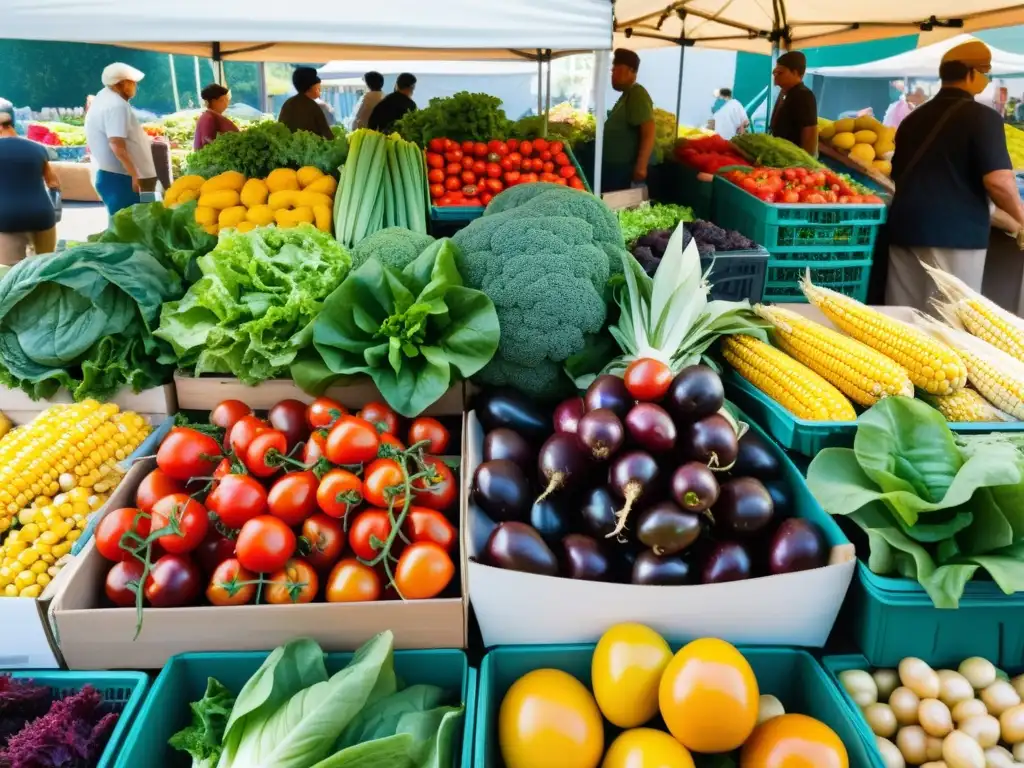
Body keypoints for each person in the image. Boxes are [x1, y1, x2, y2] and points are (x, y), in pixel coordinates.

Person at [885, 40, 1024, 311]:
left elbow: (898, 174)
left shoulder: (913, 119)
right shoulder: (982, 117)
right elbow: (998, 180)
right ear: (972, 74)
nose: (986, 80)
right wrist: (1021, 218)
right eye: (985, 73)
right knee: (949, 322)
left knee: (902, 318)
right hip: (954, 236)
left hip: (904, 229)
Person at [84, 62, 157, 216]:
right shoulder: (116, 105)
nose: (135, 87)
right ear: (123, 84)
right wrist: (134, 174)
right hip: (121, 178)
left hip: (113, 176)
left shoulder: (103, 98)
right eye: (133, 83)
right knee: (129, 227)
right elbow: (116, 144)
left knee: (124, 226)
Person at [0, 110, 60, 264]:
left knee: (10, 274)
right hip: (42, 215)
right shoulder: (37, 148)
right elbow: (53, 183)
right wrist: (57, 211)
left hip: (7, 218)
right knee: (44, 267)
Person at [601, 48, 655, 193]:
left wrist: (641, 167)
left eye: (616, 70)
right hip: (615, 169)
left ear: (631, 71)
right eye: (612, 70)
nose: (612, 74)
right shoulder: (626, 95)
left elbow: (648, 130)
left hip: (625, 170)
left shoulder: (637, 94)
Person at [769, 50, 818, 156]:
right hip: (780, 155)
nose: (775, 77)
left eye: (780, 73)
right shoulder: (786, 93)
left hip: (793, 161)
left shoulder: (805, 96)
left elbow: (810, 136)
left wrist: (805, 165)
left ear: (795, 73)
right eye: (775, 73)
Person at [278, 67, 334, 140]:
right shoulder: (313, 106)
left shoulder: (288, 104)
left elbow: (280, 128)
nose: (320, 92)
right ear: (311, 87)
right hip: (313, 148)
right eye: (318, 89)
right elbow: (327, 133)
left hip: (290, 146)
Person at [193, 84, 238, 150]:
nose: (226, 103)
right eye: (223, 100)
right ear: (214, 102)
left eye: (227, 100)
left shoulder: (212, 116)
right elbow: (207, 142)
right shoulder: (208, 118)